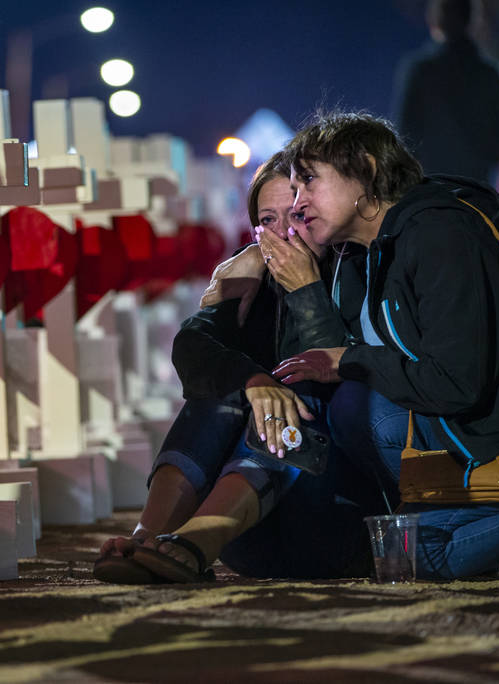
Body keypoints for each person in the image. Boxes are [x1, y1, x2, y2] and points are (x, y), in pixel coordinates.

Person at [274, 111, 499, 581]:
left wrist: (352, 359)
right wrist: (304, 288)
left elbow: (457, 384)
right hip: (468, 433)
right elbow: (324, 367)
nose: (297, 202)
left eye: (307, 180)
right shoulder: (358, 253)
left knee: (416, 554)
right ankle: (464, 516)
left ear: (365, 170)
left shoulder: (442, 235)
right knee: (351, 410)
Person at [92, 152, 384, 583]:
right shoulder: (254, 284)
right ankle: (149, 537)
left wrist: (305, 289)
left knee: (300, 390)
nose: (284, 232)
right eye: (268, 220)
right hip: (251, 541)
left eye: (297, 215)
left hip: (335, 524)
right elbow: (192, 344)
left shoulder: (357, 273)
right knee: (222, 386)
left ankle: (198, 540)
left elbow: (338, 376)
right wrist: (253, 379)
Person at [391, 0, 499, 184]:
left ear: (433, 20)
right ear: (473, 21)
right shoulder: (489, 75)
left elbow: (404, 136)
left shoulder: (419, 71)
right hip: (475, 194)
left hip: (429, 191)